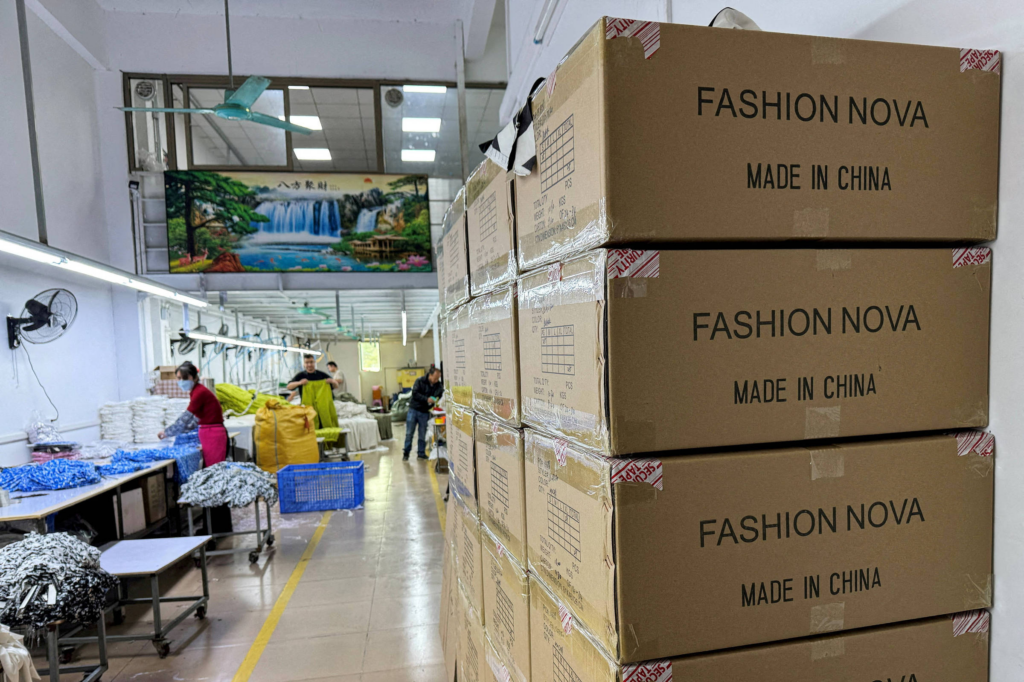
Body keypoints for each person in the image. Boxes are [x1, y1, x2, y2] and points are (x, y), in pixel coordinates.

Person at [159, 362, 227, 467]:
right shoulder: (196, 391)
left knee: (215, 468)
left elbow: (186, 418)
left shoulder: (200, 393)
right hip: (208, 433)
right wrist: (174, 432)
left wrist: (167, 432)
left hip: (213, 434)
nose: (181, 381)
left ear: (194, 377)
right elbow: (194, 422)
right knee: (211, 467)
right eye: (178, 378)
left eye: (184, 378)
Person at [404, 366, 443, 461]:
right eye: (435, 378)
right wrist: (426, 399)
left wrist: (435, 399)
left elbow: (439, 394)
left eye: (438, 378)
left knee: (422, 434)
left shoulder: (438, 385)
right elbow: (415, 393)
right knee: (409, 433)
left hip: (424, 412)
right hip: (414, 410)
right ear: (430, 375)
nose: (436, 380)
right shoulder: (419, 381)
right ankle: (406, 453)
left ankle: (421, 453)